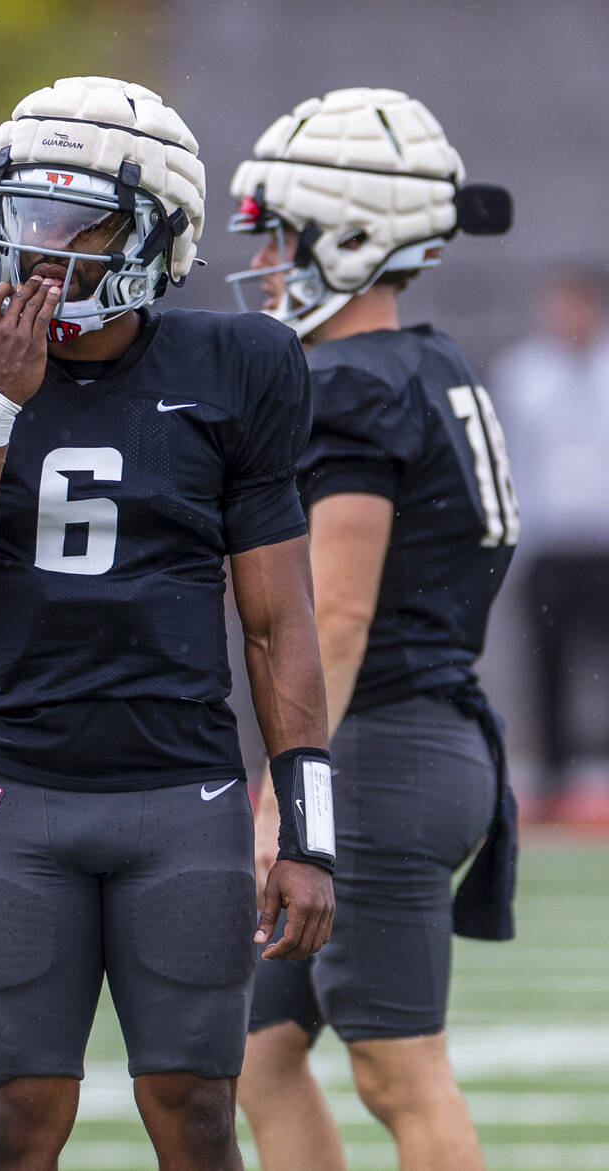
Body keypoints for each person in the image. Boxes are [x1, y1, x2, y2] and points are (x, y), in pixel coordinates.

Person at [0, 76, 335, 1171]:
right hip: (13, 790)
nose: (45, 251)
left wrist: (308, 827)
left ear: (158, 235)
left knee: (198, 1111)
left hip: (184, 793)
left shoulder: (244, 364)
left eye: (85, 225)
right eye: (28, 215)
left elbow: (278, 618)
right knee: (14, 1120)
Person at [224, 87, 518, 1170]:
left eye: (278, 235)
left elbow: (336, 613)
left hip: (380, 750)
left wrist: (281, 798)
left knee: (401, 1070)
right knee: (255, 1053)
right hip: (415, 736)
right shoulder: (429, 362)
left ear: (350, 236)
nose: (260, 258)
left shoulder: (348, 384)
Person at [493, 265, 609, 817]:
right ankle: (556, 778)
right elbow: (511, 463)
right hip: (550, 548)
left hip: (605, 543)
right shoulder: (523, 374)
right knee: (548, 667)